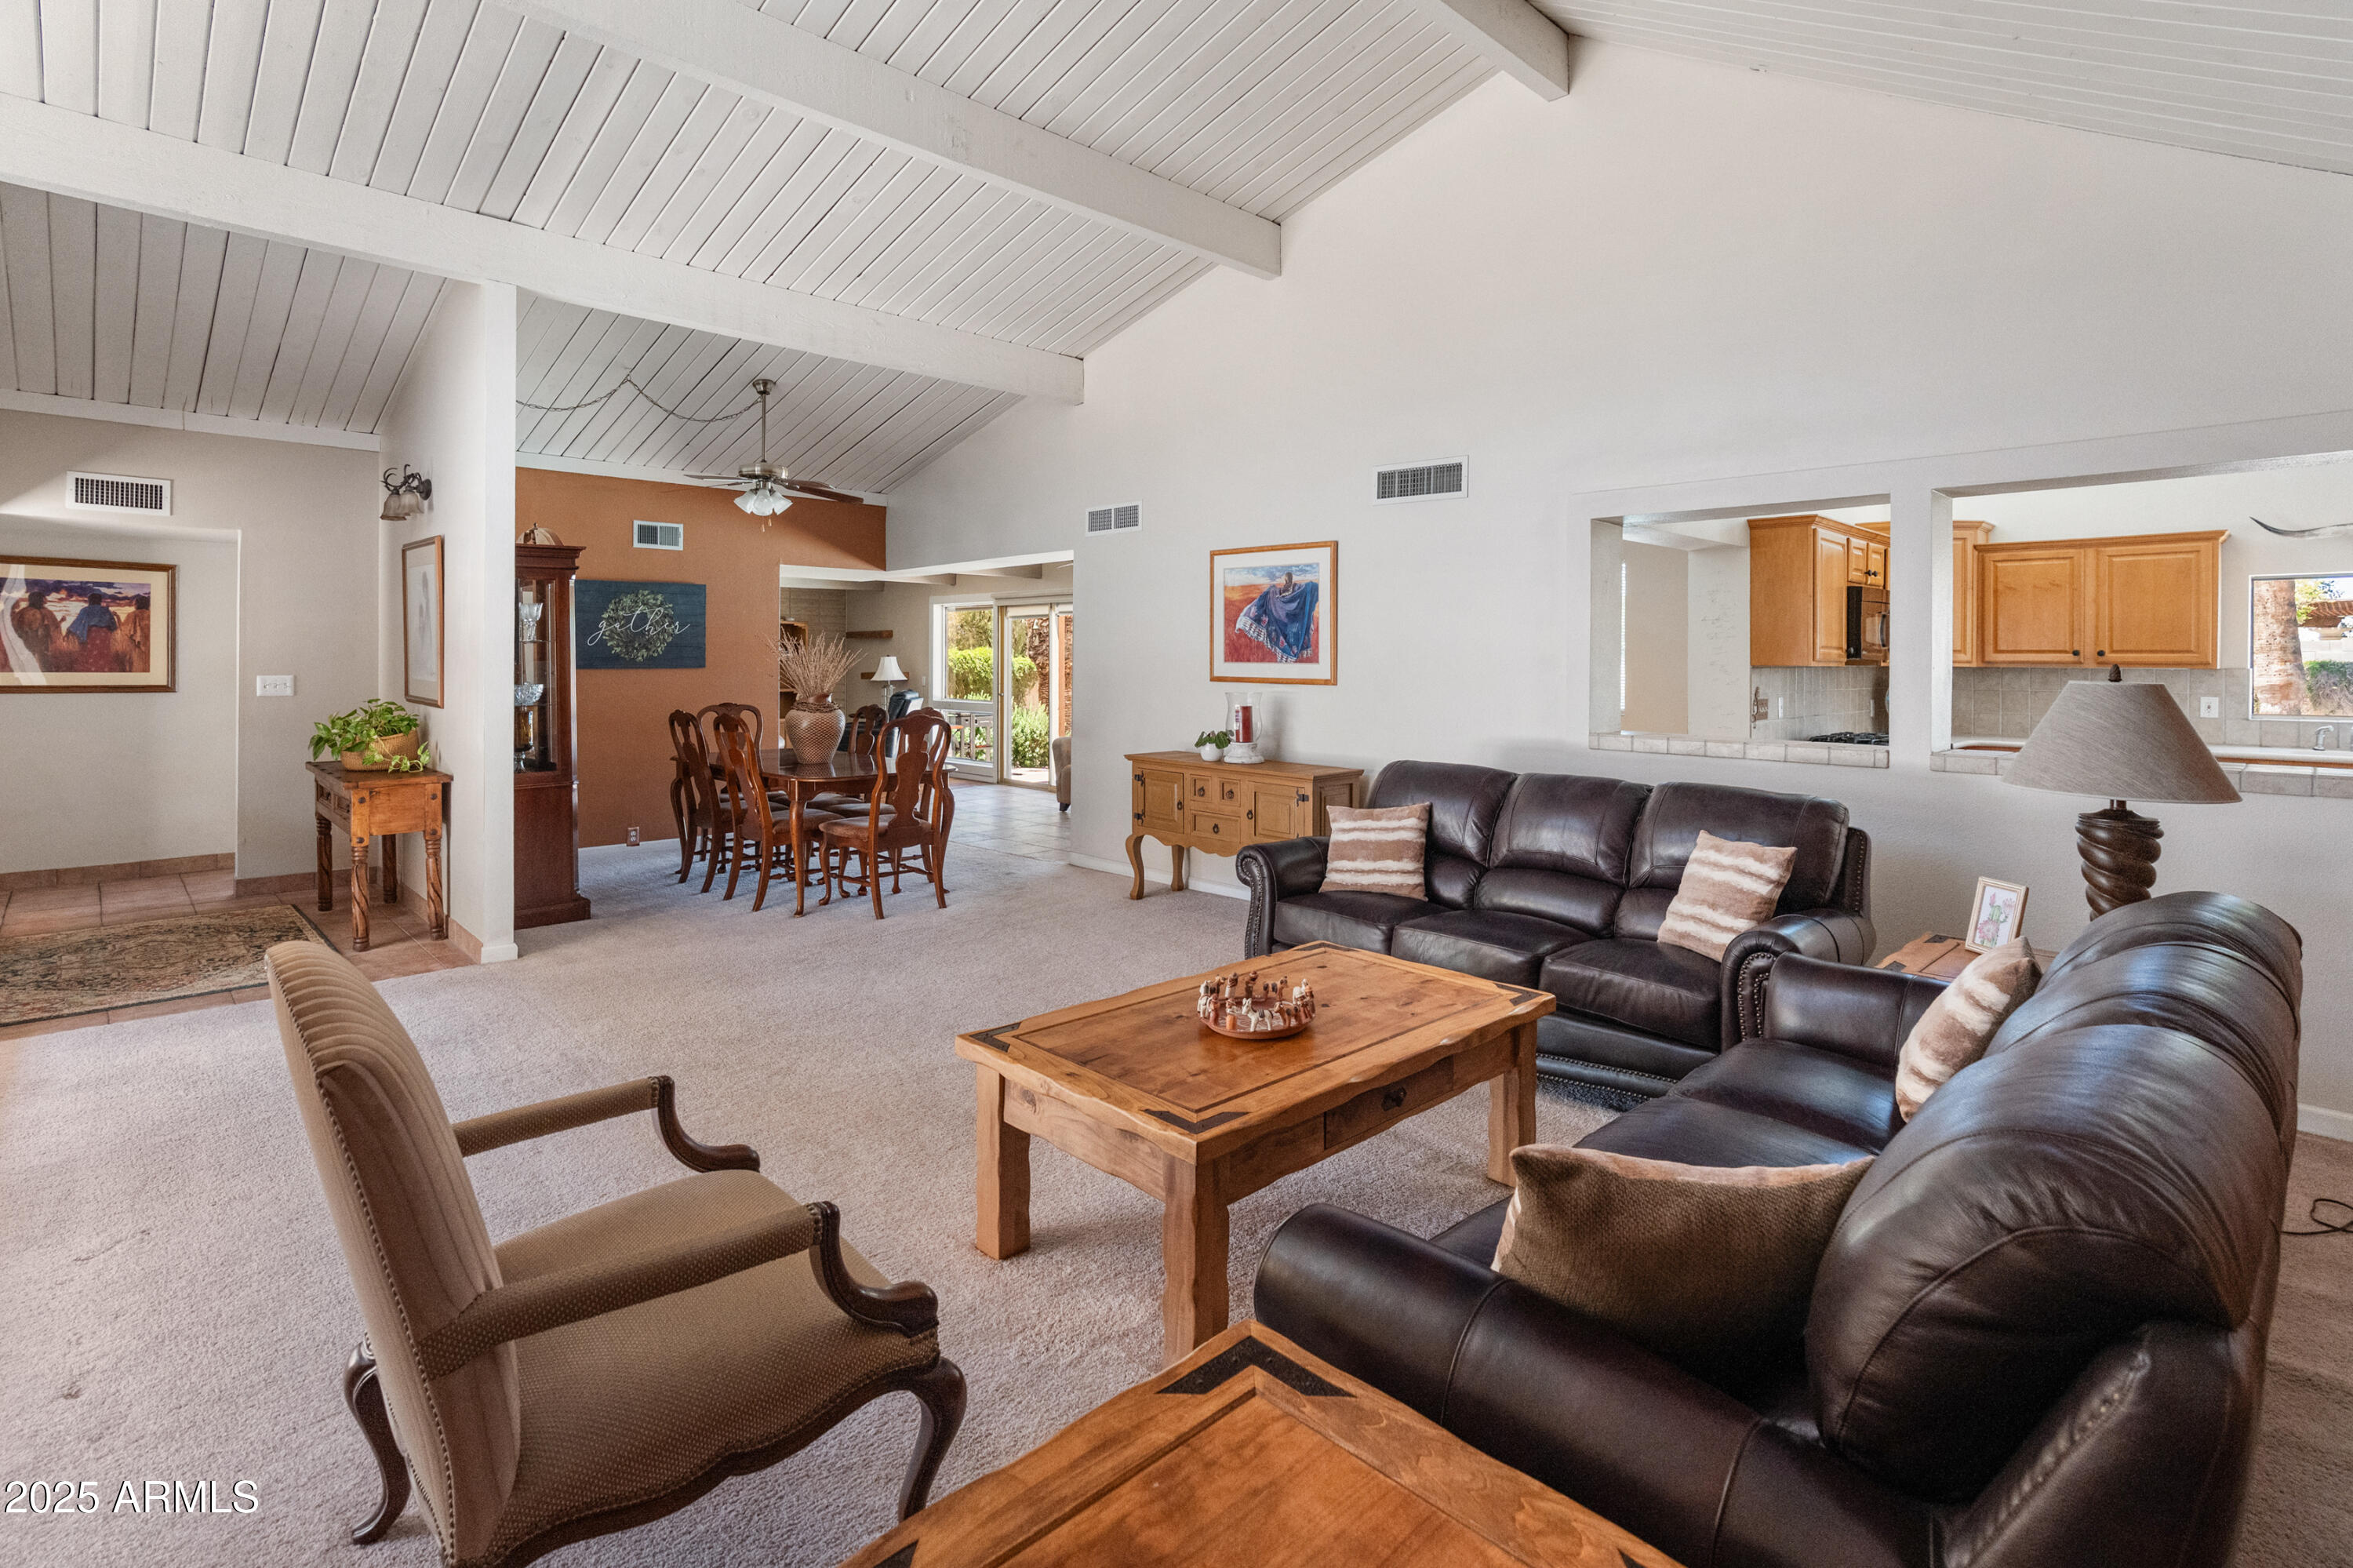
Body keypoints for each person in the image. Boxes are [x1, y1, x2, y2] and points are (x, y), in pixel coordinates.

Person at [1232, 569, 1319, 663]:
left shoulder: (1286, 587)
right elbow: (1296, 592)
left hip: (1286, 617)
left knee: (1289, 636)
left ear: (1286, 580)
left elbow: (1285, 594)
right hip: (1290, 619)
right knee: (1291, 635)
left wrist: (1278, 597)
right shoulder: (1296, 588)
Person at [9, 585, 62, 672]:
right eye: (42, 600)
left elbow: (54, 626)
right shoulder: (29, 612)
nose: (44, 602)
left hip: (39, 642)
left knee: (42, 662)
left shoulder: (23, 612)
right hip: (31, 641)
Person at [66, 591, 121, 672]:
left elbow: (77, 622)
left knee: (91, 654)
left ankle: (92, 671)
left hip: (91, 634)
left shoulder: (85, 610)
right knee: (103, 653)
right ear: (100, 601)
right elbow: (113, 626)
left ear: (90, 601)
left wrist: (69, 631)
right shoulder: (106, 610)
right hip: (105, 635)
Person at [120, 594, 151, 672]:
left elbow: (124, 629)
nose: (133, 605)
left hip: (137, 646)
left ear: (137, 604)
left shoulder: (132, 615)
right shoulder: (151, 614)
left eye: (134, 603)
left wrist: (117, 618)